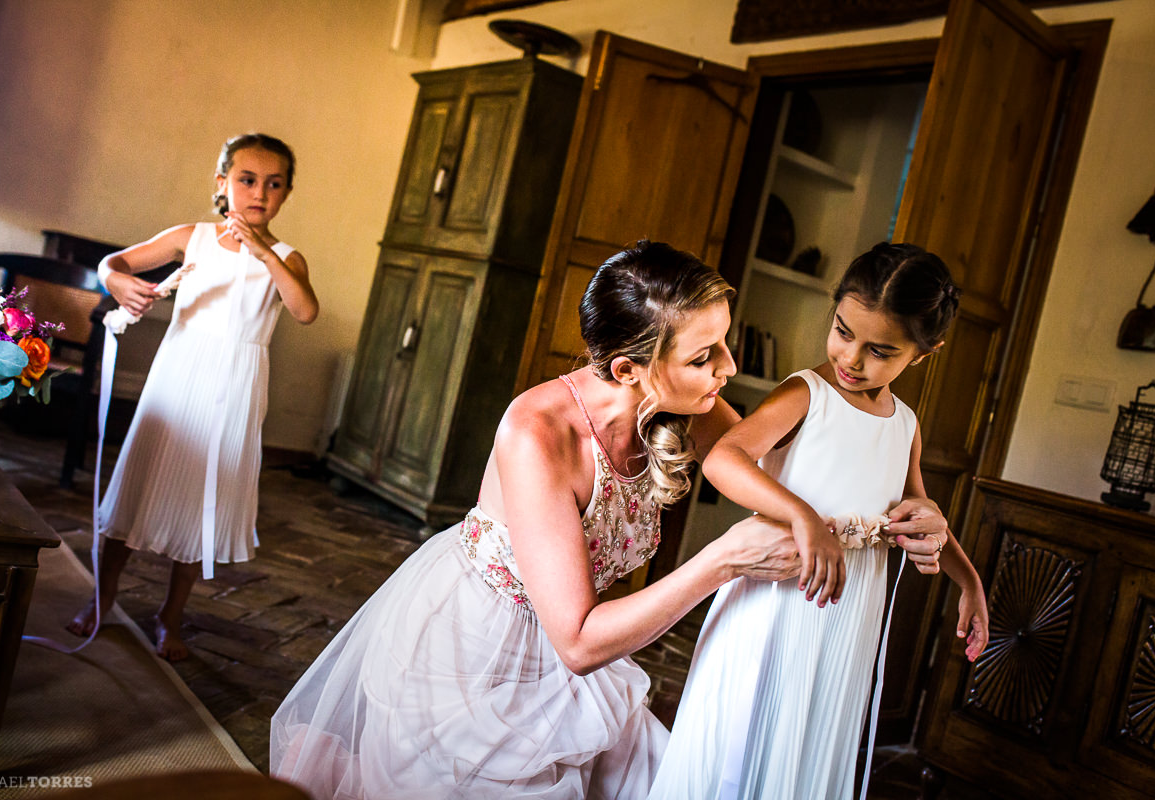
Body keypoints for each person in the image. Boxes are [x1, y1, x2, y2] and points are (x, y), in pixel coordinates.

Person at [269, 240, 948, 799]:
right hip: (480, 661)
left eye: (723, 345)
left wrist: (901, 513)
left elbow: (786, 486)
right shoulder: (538, 434)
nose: (730, 369)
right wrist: (721, 562)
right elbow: (581, 642)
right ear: (629, 368)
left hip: (581, 661)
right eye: (704, 356)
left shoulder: (695, 403)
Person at [647, 242, 991, 800]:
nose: (852, 359)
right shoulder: (807, 393)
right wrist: (800, 514)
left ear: (924, 355)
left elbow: (918, 515)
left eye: (880, 350)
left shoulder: (905, 424)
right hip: (781, 599)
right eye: (843, 331)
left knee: (807, 743)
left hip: (850, 609)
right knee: (746, 736)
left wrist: (967, 580)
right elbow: (724, 458)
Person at [66, 133, 318, 661]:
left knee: (205, 495)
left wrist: (264, 251)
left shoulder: (288, 258)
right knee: (142, 477)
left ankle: (171, 615)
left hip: (235, 386)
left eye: (274, 185)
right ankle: (104, 593)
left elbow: (304, 311)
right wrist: (115, 282)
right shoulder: (192, 237)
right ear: (222, 184)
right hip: (179, 376)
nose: (259, 193)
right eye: (247, 180)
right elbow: (115, 262)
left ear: (287, 194)